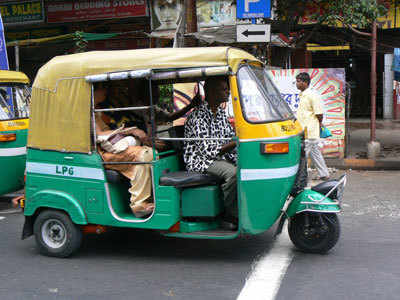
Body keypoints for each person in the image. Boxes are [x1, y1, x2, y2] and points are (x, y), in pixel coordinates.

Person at [95, 80, 200, 217]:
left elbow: (167, 118)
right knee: (146, 154)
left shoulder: (147, 107)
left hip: (127, 145)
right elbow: (104, 135)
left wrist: (191, 106)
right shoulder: (101, 109)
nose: (106, 91)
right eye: (104, 88)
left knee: (166, 150)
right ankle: (138, 204)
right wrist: (135, 132)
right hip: (108, 151)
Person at [183, 76, 238, 228]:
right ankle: (230, 213)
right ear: (211, 92)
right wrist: (237, 142)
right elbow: (208, 150)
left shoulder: (220, 113)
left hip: (218, 157)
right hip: (200, 161)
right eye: (224, 89)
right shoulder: (198, 116)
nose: (227, 92)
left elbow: (228, 137)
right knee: (233, 173)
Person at [295, 72, 330, 180]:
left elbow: (319, 113)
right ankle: (324, 174)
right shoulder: (303, 95)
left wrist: (319, 123)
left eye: (298, 81)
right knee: (315, 153)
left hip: (309, 131)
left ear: (305, 83)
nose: (296, 84)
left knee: (301, 155)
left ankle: (299, 177)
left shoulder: (312, 95)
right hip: (306, 131)